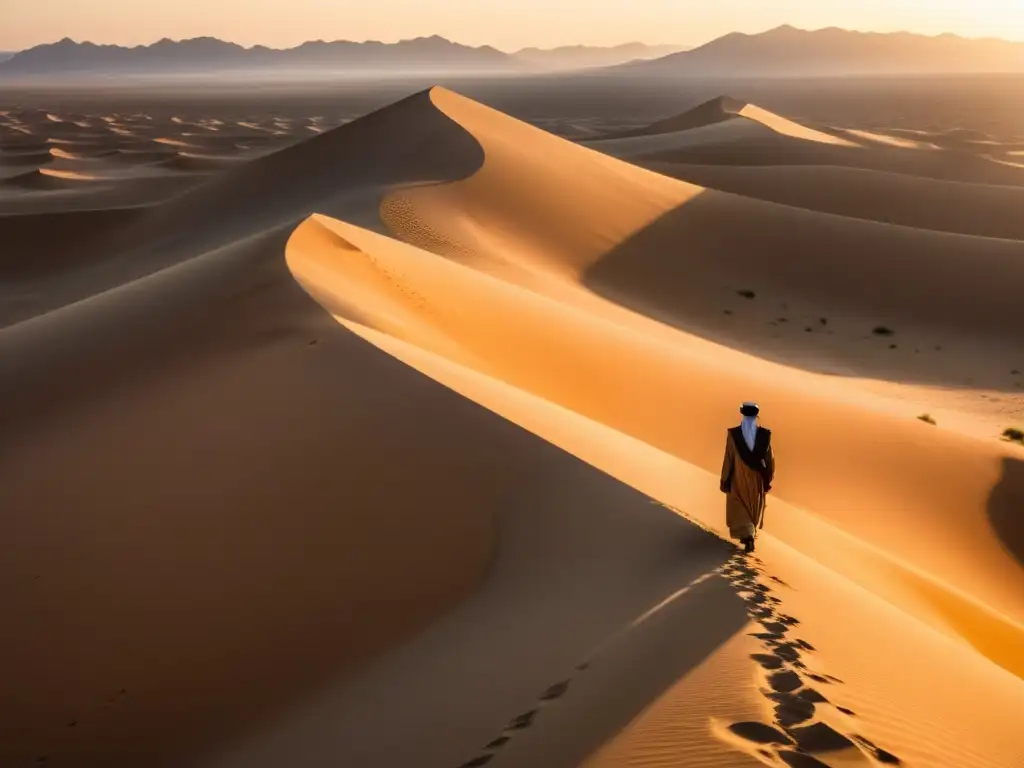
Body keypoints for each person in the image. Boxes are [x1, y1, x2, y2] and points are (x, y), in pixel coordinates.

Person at [720, 402, 775, 553]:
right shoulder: (764, 436)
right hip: (756, 479)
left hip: (738, 477)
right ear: (756, 416)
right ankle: (749, 535)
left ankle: (748, 537)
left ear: (743, 415)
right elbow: (770, 459)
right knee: (751, 508)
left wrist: (724, 479)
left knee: (739, 506)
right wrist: (768, 478)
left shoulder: (734, 434)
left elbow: (728, 458)